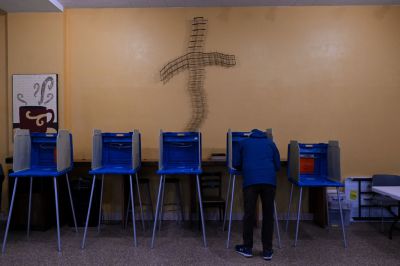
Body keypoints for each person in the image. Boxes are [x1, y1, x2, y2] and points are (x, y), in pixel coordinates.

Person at [233, 129, 280, 261]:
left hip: (251, 181)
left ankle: (247, 248)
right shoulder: (271, 143)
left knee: (249, 214)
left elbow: (236, 164)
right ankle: (267, 251)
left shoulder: (243, 143)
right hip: (269, 182)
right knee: (268, 215)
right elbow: (277, 165)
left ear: (251, 135)